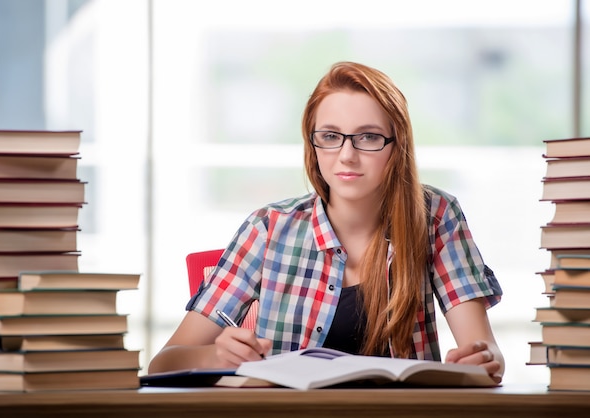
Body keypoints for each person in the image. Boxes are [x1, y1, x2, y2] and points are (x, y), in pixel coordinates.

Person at [148, 61, 505, 383]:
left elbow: (486, 354)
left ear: (397, 146)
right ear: (313, 145)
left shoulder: (436, 216)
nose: (347, 156)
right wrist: (217, 355)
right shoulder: (268, 228)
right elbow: (164, 363)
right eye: (331, 137)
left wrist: (483, 360)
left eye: (368, 137)